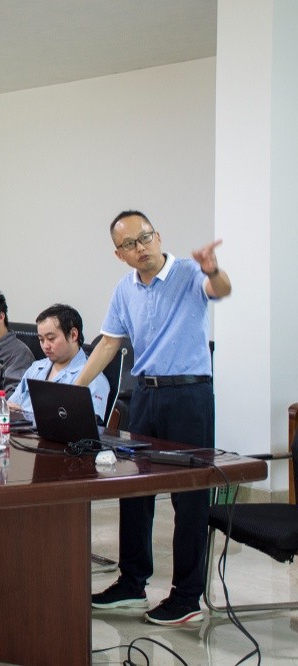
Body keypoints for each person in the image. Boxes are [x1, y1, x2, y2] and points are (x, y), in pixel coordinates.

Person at [76, 210, 231, 626]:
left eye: (145, 237)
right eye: (129, 244)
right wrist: (76, 386)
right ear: (119, 254)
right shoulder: (124, 289)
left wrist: (213, 269)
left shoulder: (188, 273)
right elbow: (109, 343)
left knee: (189, 496)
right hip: (144, 394)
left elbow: (220, 288)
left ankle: (186, 597)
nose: (140, 248)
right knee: (134, 490)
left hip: (188, 394)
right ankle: (132, 583)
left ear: (158, 236)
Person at [7, 304, 109, 422]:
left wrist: (27, 415)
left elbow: (85, 426)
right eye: (41, 340)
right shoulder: (36, 368)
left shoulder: (93, 378)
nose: (45, 346)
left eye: (51, 339)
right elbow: (11, 405)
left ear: (73, 335)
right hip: (18, 431)